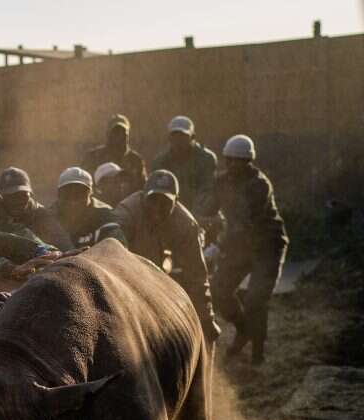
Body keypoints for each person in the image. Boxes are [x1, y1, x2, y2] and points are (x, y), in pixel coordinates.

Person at [110, 170, 219, 343]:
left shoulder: (186, 225)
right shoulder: (127, 212)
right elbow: (111, 248)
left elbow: (197, 275)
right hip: (127, 273)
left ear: (176, 202)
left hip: (161, 277)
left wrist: (206, 317)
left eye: (165, 202)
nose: (158, 208)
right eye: (153, 200)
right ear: (144, 197)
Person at [209, 135, 289, 365]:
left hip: (267, 245)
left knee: (256, 299)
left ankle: (257, 354)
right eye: (230, 160)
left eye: (239, 161)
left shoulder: (259, 185)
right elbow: (208, 210)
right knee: (218, 290)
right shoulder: (220, 182)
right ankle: (244, 330)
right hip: (239, 246)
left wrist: (218, 244)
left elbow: (245, 223)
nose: (233, 165)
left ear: (249, 161)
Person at [150, 116, 218, 220]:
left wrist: (194, 216)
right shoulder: (160, 162)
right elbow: (155, 193)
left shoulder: (206, 159)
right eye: (175, 136)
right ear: (169, 138)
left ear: (193, 137)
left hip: (200, 213)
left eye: (183, 137)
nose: (178, 141)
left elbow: (208, 190)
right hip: (169, 212)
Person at [34, 167, 121, 248]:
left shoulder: (104, 215)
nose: (73, 200)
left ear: (91, 193)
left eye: (80, 193)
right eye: (67, 194)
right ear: (59, 194)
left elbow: (117, 250)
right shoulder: (49, 217)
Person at [83, 114, 147, 199]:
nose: (119, 137)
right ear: (108, 134)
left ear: (128, 136)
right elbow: (84, 184)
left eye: (123, 133)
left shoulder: (135, 160)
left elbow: (142, 188)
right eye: (115, 132)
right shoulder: (94, 157)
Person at [0, 166, 46, 232]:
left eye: (22, 195)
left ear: (29, 194)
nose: (17, 201)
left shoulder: (39, 213)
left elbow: (58, 238)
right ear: (1, 196)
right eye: (11, 196)